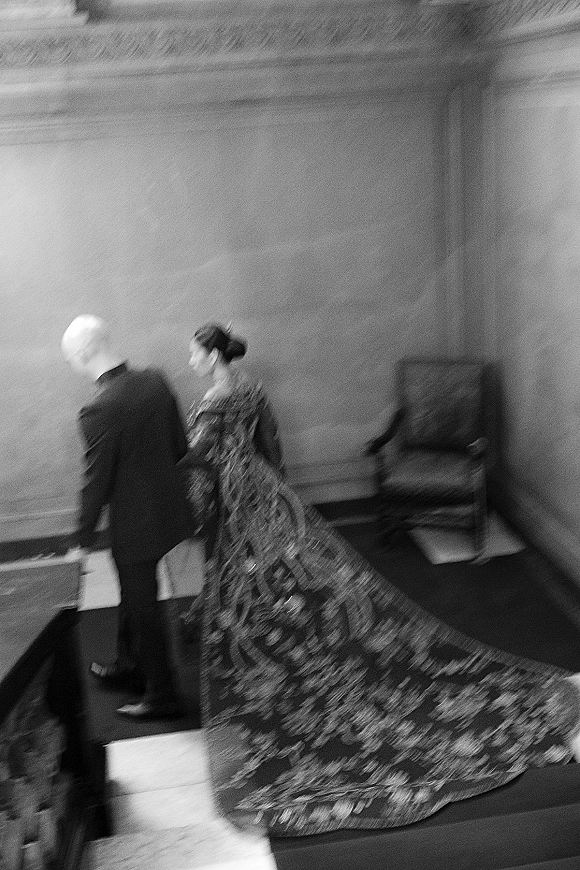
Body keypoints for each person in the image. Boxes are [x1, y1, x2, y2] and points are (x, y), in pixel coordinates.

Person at [181, 321, 580, 837]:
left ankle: (262, 644)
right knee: (285, 574)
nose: (190, 361)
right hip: (262, 488)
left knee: (245, 576)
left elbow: (197, 468)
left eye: (193, 354)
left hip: (235, 500)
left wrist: (197, 514)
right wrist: (279, 492)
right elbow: (270, 444)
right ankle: (282, 634)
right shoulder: (251, 388)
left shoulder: (210, 405)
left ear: (213, 356)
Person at [62, 315, 194, 720]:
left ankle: (161, 695)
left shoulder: (99, 408)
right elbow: (179, 444)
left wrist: (80, 539)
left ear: (83, 353)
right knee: (136, 597)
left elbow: (95, 482)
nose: (73, 366)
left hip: (136, 524)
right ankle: (128, 665)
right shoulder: (155, 380)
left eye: (71, 359)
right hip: (171, 508)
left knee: (143, 606)